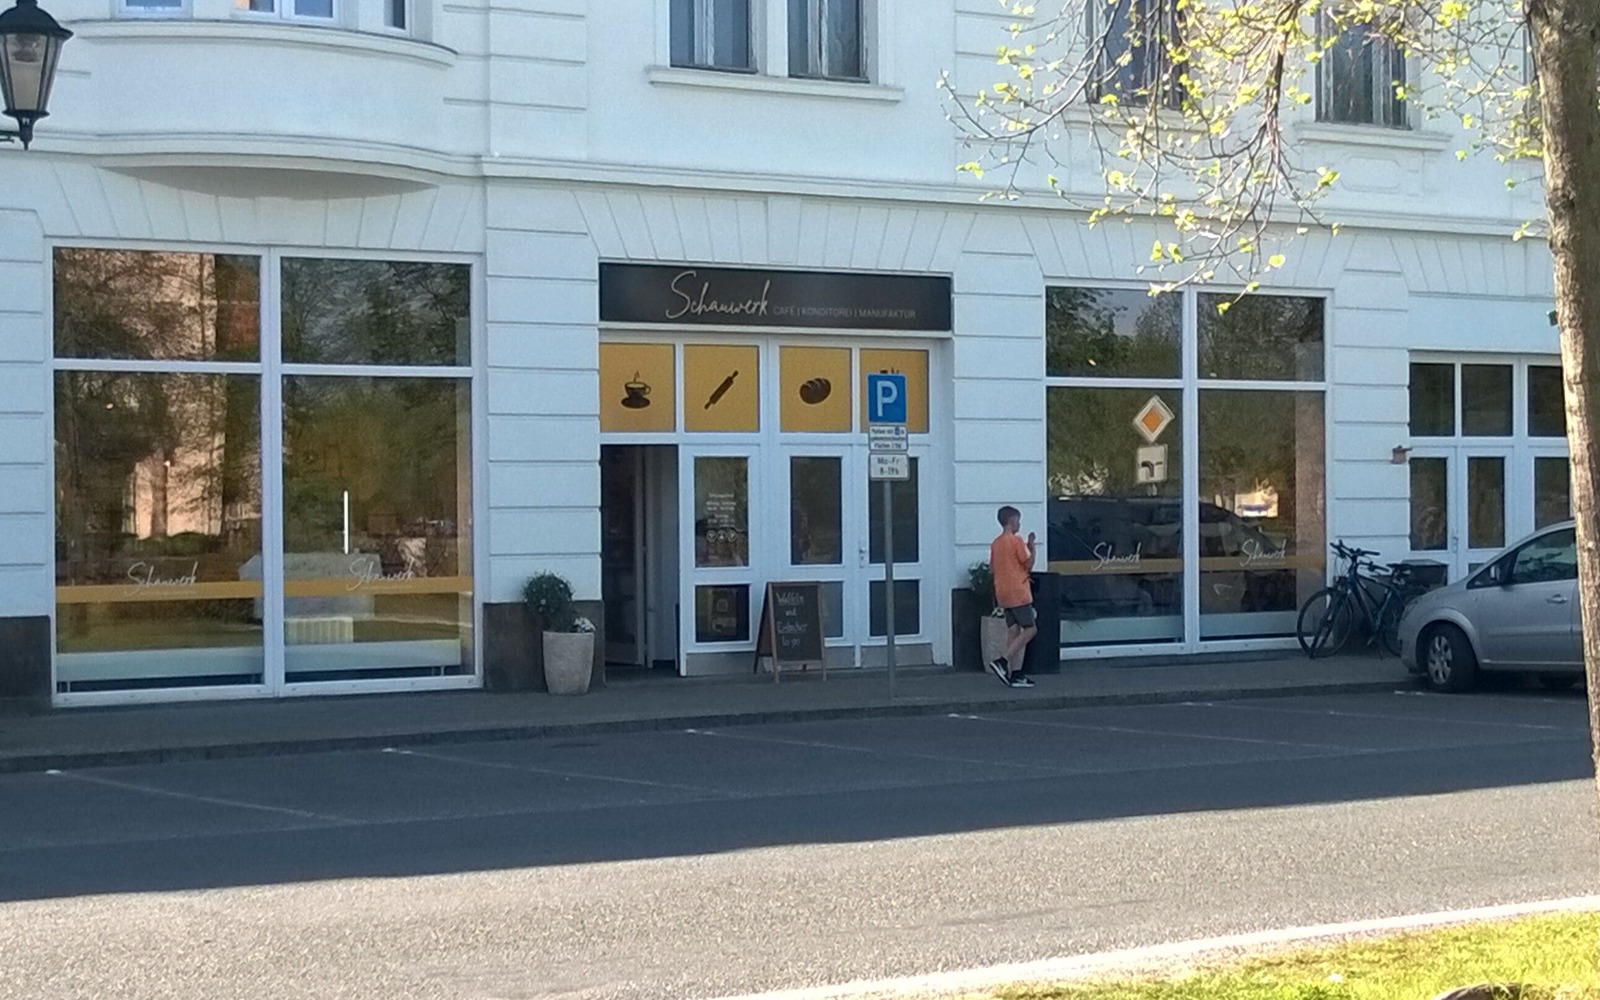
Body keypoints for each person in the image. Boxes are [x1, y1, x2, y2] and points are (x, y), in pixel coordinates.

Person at [988, 505, 1038, 688]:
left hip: (1003, 593)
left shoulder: (996, 543)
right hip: (1018, 591)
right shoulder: (1016, 541)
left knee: (1013, 630)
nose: (1019, 524)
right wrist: (1032, 548)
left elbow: (992, 568)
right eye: (1018, 520)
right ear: (1011, 520)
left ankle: (1016, 673)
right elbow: (1028, 565)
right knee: (1031, 629)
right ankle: (1002, 661)